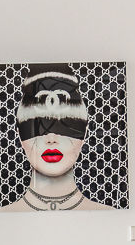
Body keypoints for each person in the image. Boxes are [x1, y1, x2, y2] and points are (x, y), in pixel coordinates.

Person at [13, 63, 112, 211]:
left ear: (85, 133)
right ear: (19, 134)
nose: (51, 138)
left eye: (67, 122)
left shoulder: (108, 214)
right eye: (37, 126)